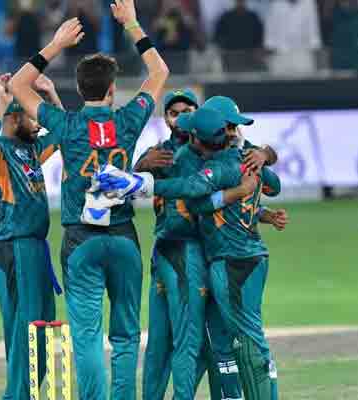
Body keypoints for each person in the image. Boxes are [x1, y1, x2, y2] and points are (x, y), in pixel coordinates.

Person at [9, 0, 169, 398]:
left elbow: (17, 85)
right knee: (127, 333)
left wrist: (57, 43)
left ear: (79, 89)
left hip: (80, 240)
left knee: (86, 336)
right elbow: (160, 71)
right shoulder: (129, 119)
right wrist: (131, 23)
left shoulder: (65, 123)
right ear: (113, 90)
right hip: (124, 237)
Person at [93, 106, 283, 400]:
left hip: (223, 260)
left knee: (225, 342)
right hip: (209, 255)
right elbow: (237, 194)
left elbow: (198, 196)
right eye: (174, 112)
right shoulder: (191, 155)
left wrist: (135, 184)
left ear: (200, 135)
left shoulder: (222, 162)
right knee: (209, 341)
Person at [0, 73, 64, 400]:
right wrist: (1, 99)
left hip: (36, 249)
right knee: (25, 328)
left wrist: (51, 94)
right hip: (15, 247)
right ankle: (17, 396)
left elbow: (65, 132)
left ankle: (21, 393)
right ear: (13, 118)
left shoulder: (31, 149)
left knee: (40, 327)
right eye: (30, 115)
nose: (37, 122)